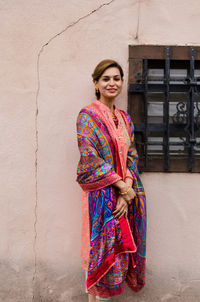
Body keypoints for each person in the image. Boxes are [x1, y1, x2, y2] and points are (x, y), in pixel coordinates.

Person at [76, 59, 147, 302]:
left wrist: (128, 188)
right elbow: (90, 159)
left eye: (116, 78)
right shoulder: (87, 116)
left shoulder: (125, 118)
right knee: (100, 260)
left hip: (124, 197)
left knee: (116, 264)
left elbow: (132, 155)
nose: (112, 83)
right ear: (96, 83)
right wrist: (122, 187)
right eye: (106, 79)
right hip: (101, 198)